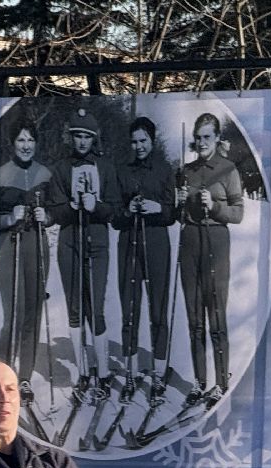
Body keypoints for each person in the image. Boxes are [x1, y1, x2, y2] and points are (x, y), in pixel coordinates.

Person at [48, 108, 120, 401]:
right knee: (75, 308)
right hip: (69, 243)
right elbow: (54, 211)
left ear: (94, 139)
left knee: (96, 308)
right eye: (77, 136)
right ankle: (81, 373)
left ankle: (102, 372)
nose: (81, 142)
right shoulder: (61, 168)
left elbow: (114, 209)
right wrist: (73, 207)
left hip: (98, 243)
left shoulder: (106, 167)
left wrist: (96, 206)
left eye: (86, 137)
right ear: (71, 137)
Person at [0, 119, 53, 400]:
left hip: (37, 243)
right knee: (14, 312)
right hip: (10, 243)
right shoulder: (0, 174)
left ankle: (24, 378)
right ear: (13, 143)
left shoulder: (45, 173)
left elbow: (57, 208)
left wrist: (46, 216)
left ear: (36, 144)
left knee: (33, 313)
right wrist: (8, 217)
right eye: (21, 141)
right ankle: (6, 374)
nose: (25, 146)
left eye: (30, 141)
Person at [177, 112, 243, 408]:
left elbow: (238, 213)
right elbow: (176, 213)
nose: (202, 142)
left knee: (215, 315)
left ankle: (221, 383)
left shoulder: (228, 170)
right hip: (189, 240)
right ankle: (199, 382)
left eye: (208, 137)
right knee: (194, 318)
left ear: (217, 138)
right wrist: (178, 203)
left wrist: (215, 206)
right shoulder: (186, 171)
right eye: (199, 137)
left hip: (216, 239)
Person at [113, 116, 177, 406]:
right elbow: (113, 215)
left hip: (156, 243)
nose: (139, 146)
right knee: (130, 309)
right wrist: (127, 209)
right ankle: (129, 373)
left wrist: (157, 207)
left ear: (152, 141)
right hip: (129, 243)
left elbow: (172, 212)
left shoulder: (165, 170)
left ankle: (159, 374)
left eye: (143, 141)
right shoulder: (122, 170)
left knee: (158, 309)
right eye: (134, 141)